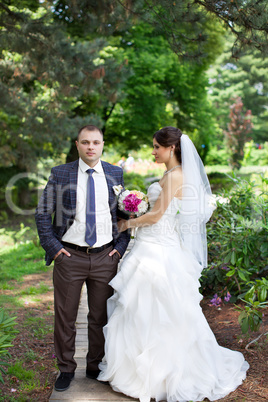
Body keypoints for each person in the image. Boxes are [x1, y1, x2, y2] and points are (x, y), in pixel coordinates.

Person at [98, 127, 249, 402]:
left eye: (157, 147)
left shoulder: (176, 176)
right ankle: (142, 370)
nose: (153, 151)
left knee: (158, 309)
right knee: (142, 308)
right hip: (152, 243)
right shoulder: (169, 174)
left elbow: (156, 216)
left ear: (172, 148)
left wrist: (126, 223)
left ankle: (162, 374)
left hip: (159, 248)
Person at [35, 125, 130, 392]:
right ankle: (65, 368)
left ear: (102, 145)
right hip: (70, 256)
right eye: (85, 142)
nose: (91, 147)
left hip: (105, 257)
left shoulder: (115, 173)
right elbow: (43, 214)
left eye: (96, 142)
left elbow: (125, 215)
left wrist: (120, 247)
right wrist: (54, 249)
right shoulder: (61, 173)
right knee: (65, 316)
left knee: (100, 316)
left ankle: (94, 366)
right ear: (77, 144)